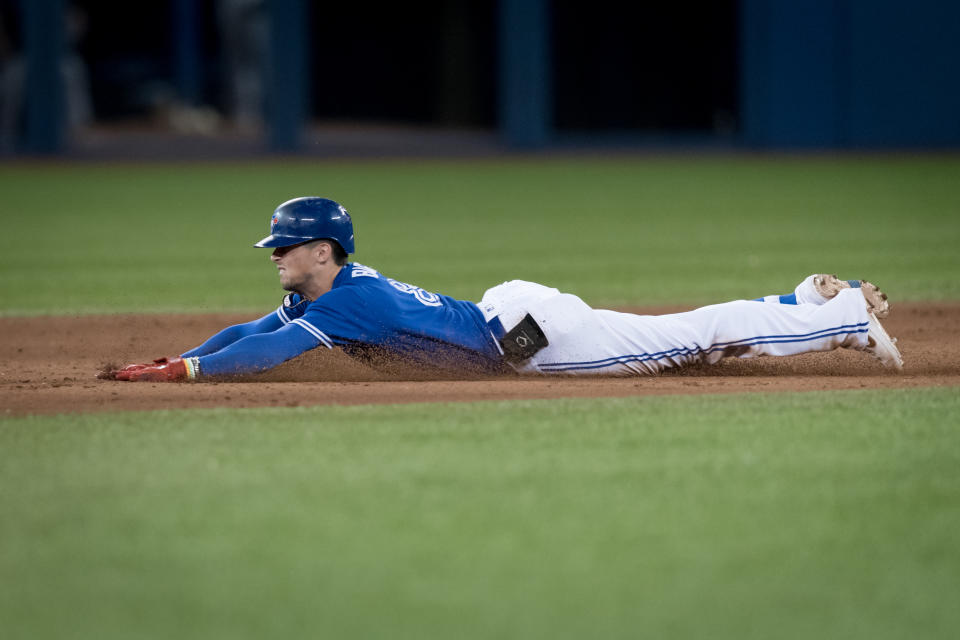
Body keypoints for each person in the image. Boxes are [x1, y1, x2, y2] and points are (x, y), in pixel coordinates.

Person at [108, 197, 903, 382]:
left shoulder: (338, 299)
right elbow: (252, 330)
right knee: (679, 333)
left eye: (285, 246)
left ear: (323, 250)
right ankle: (799, 304)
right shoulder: (334, 287)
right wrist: (180, 358)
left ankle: (840, 315)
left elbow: (271, 351)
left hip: (524, 341)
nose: (274, 255)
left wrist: (184, 374)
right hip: (512, 315)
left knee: (685, 339)